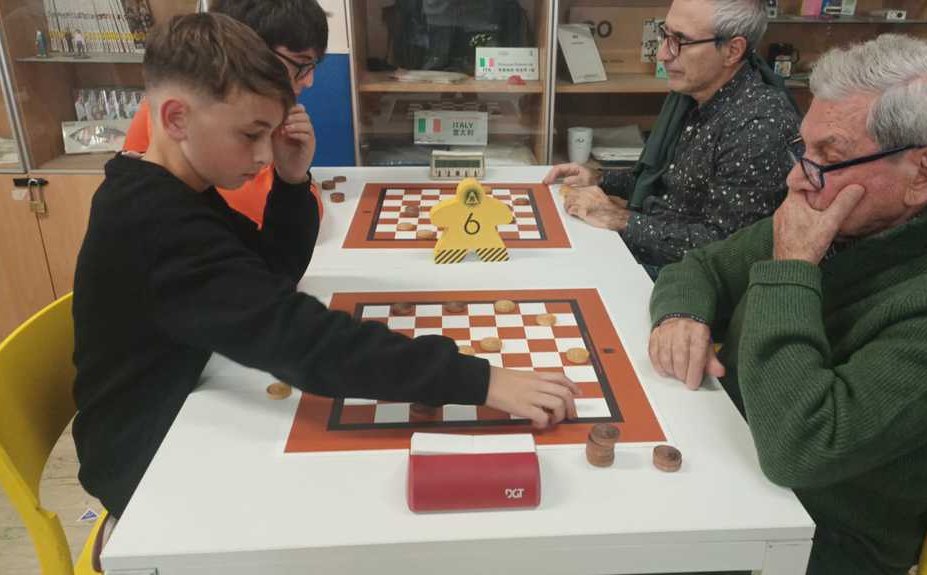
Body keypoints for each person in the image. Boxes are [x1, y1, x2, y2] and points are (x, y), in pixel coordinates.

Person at [73, 13, 580, 522]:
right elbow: (301, 340)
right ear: (177, 119)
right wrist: (481, 381)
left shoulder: (177, 190)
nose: (262, 154)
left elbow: (272, 275)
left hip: (189, 399)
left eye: (270, 134)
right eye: (250, 134)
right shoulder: (154, 221)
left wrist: (291, 181)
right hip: (146, 458)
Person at [647, 34, 927, 574]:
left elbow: (801, 449)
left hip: (821, 536)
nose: (796, 177)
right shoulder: (848, 208)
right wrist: (682, 314)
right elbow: (701, 268)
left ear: (924, 173)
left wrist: (792, 266)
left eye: (829, 157)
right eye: (804, 148)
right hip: (731, 450)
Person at [544, 0, 799, 279]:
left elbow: (725, 252)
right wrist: (600, 178)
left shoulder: (757, 126)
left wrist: (618, 218)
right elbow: (667, 183)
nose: (663, 54)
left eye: (680, 41)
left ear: (732, 50)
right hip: (652, 254)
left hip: (683, 284)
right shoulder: (694, 96)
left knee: (554, 274)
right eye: (664, 35)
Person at [123, 0, 328, 227]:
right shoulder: (199, 122)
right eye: (301, 64)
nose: (309, 81)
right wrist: (293, 182)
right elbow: (258, 214)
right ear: (251, 52)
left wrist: (292, 179)